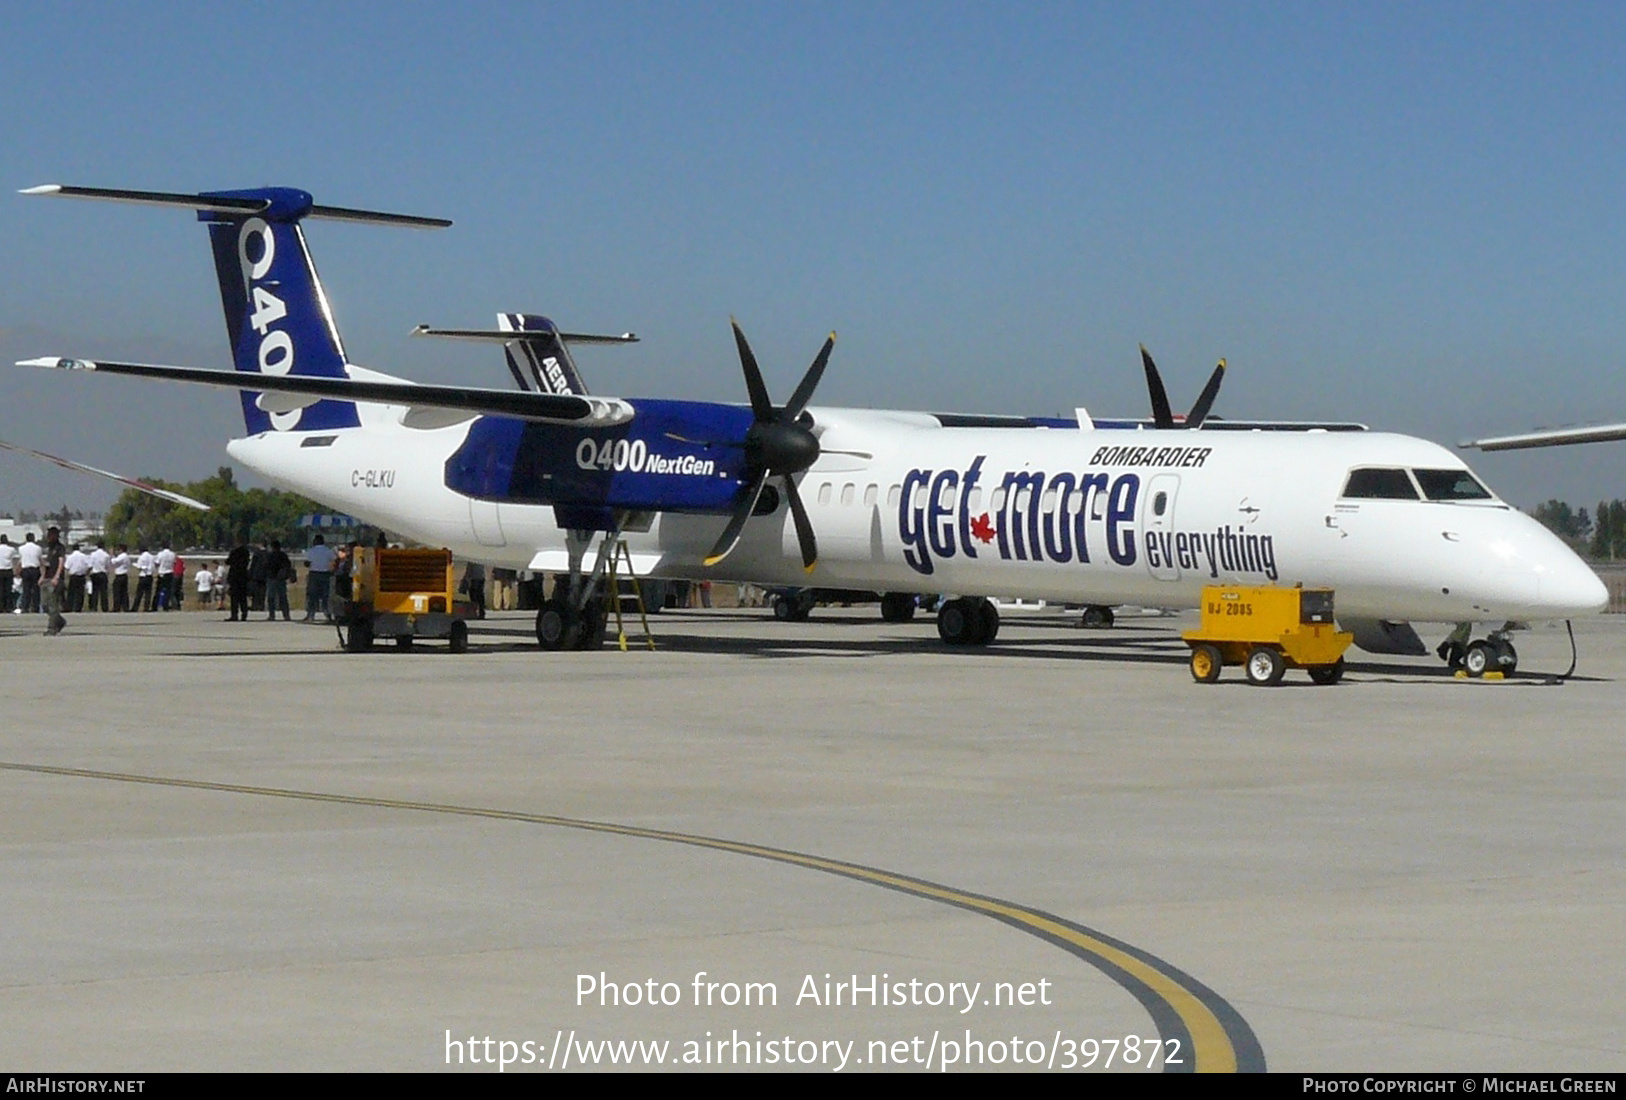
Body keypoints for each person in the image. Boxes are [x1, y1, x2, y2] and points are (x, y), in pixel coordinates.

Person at [40, 526, 68, 635]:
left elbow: (61, 562)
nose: (49, 537)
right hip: (47, 578)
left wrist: (57, 577)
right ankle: (60, 621)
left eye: (51, 534)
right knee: (44, 605)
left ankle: (52, 628)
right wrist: (42, 576)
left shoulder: (60, 548)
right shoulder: (49, 548)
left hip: (55, 579)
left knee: (53, 605)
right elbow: (46, 563)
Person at [303, 535, 335, 622]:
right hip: (325, 574)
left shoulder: (311, 551)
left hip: (314, 574)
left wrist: (308, 564)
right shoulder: (328, 551)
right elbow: (334, 560)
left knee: (312, 595)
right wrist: (331, 569)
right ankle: (327, 614)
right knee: (325, 595)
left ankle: (311, 615)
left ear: (316, 541)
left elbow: (307, 563)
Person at [265, 540, 292, 621]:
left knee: (271, 598)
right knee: (283, 597)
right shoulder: (283, 555)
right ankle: (286, 615)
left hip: (272, 578)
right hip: (281, 579)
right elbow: (288, 565)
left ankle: (272, 615)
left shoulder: (270, 556)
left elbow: (266, 565)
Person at [225, 537, 251, 621]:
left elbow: (228, 561)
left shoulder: (234, 552)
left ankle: (234, 614)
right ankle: (244, 614)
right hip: (243, 576)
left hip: (235, 576)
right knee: (243, 597)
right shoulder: (246, 552)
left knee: (234, 597)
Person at [18, 532, 42, 614]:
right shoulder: (38, 548)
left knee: (26, 589)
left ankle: (25, 607)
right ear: (33, 539)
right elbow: (40, 559)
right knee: (36, 590)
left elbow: (21, 560)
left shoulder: (21, 548)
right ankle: (35, 607)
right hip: (35, 569)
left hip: (25, 570)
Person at [64, 543, 90, 613]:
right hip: (81, 576)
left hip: (73, 576)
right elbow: (89, 566)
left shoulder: (70, 557)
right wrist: (86, 573)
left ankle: (69, 607)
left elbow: (67, 567)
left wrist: (67, 576)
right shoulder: (83, 556)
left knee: (71, 593)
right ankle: (78, 608)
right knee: (80, 593)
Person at [88, 540, 111, 612]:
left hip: (95, 573)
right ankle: (105, 608)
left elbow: (90, 565)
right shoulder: (106, 555)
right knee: (104, 592)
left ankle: (94, 607)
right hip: (103, 573)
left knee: (95, 591)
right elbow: (108, 566)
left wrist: (88, 573)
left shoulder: (93, 554)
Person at [133, 546, 156, 612]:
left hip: (143, 576)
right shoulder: (151, 557)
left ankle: (135, 607)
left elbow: (139, 566)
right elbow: (153, 567)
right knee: (148, 593)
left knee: (139, 593)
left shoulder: (141, 557)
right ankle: (146, 607)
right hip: (149, 576)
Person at [110, 544, 131, 612]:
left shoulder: (122, 556)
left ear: (121, 550)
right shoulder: (126, 556)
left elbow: (113, 562)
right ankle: (125, 607)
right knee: (124, 592)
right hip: (124, 575)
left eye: (118, 550)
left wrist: (112, 555)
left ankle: (117, 607)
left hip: (120, 575)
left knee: (117, 592)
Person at [0, 535, 16, 614]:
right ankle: (8, 607)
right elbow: (12, 558)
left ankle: (1, 607)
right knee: (8, 590)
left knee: (1, 590)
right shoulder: (11, 549)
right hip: (8, 570)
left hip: (0, 570)